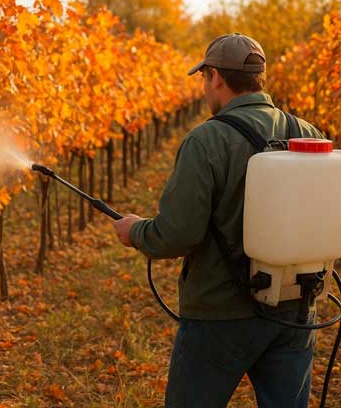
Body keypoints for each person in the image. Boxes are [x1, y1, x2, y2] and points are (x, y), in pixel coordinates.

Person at [112, 34, 326, 408]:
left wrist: (135, 232)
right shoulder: (307, 133)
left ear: (215, 77)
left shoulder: (207, 140)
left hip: (218, 317)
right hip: (296, 312)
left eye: (204, 78)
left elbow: (178, 234)